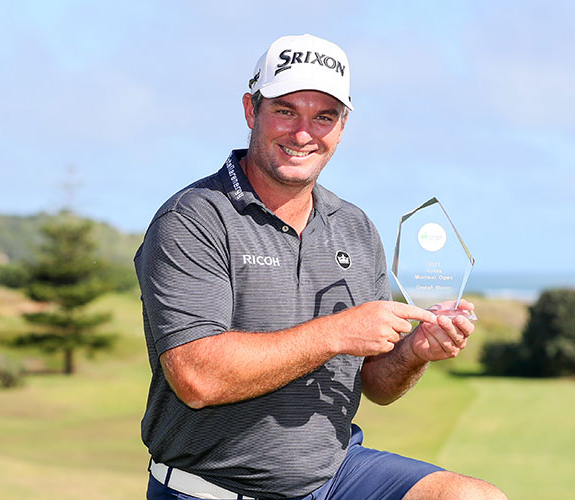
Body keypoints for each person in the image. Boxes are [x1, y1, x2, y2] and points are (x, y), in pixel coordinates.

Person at [135, 34, 507, 500]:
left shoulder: (354, 227)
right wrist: (337, 332)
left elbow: (377, 385)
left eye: (324, 116)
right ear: (252, 110)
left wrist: (414, 350)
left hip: (334, 478)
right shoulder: (194, 218)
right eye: (286, 111)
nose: (304, 133)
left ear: (343, 125)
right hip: (212, 488)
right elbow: (197, 377)